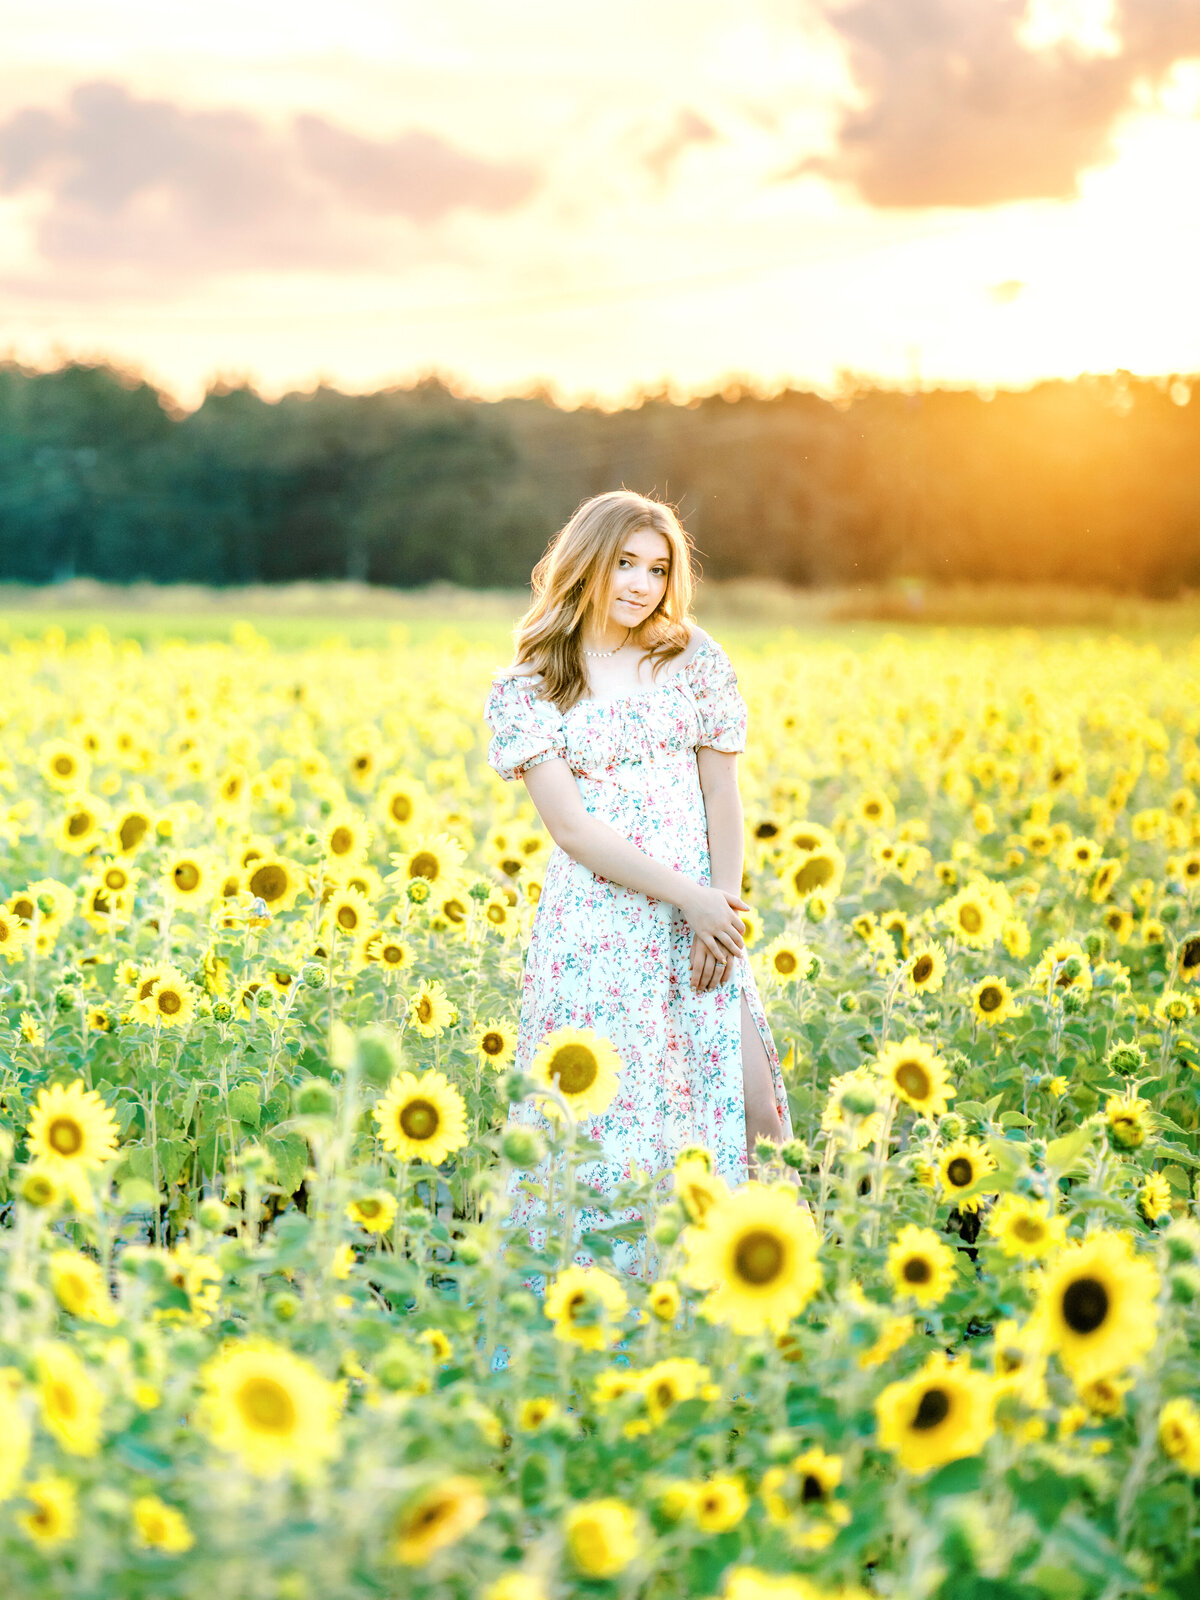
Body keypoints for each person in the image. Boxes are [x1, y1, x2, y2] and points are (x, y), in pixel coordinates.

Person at [482, 489, 797, 1282]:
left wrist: (719, 909)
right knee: (611, 1133)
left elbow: (722, 792)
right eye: (624, 563)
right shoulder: (530, 684)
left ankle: (758, 1303)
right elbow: (573, 831)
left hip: (701, 919)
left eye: (658, 569)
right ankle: (607, 1324)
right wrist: (685, 897)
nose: (640, 585)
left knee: (752, 1113)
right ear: (587, 560)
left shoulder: (691, 656)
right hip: (600, 925)